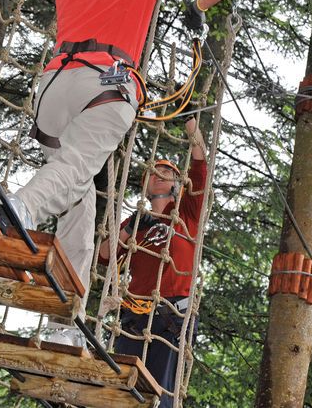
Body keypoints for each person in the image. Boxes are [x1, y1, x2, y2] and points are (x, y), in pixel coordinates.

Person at [0, 0, 236, 346]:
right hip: (108, 84)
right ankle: (22, 210)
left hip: (53, 87)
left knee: (81, 204)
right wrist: (198, 7)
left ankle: (64, 324)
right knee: (77, 170)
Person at [97, 118, 209, 407]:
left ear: (177, 184)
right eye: (154, 171)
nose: (160, 174)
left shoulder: (186, 212)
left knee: (159, 395)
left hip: (172, 313)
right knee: (124, 387)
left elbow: (200, 168)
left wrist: (193, 132)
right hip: (135, 314)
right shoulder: (136, 225)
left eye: (168, 172)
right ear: (145, 184)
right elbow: (106, 255)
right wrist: (132, 222)